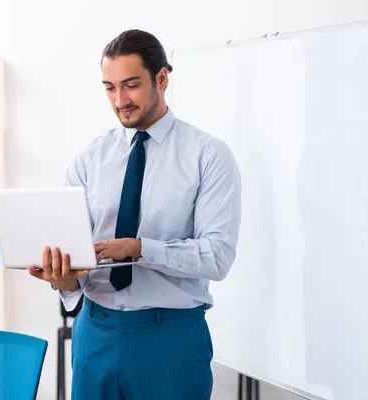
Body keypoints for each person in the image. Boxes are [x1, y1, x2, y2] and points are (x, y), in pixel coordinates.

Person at [28, 29, 242, 400]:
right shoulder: (89, 159)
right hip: (95, 332)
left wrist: (140, 248)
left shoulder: (208, 155)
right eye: (109, 88)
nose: (120, 100)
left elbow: (218, 257)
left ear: (162, 78)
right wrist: (62, 279)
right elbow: (79, 259)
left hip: (170, 339)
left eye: (130, 85)